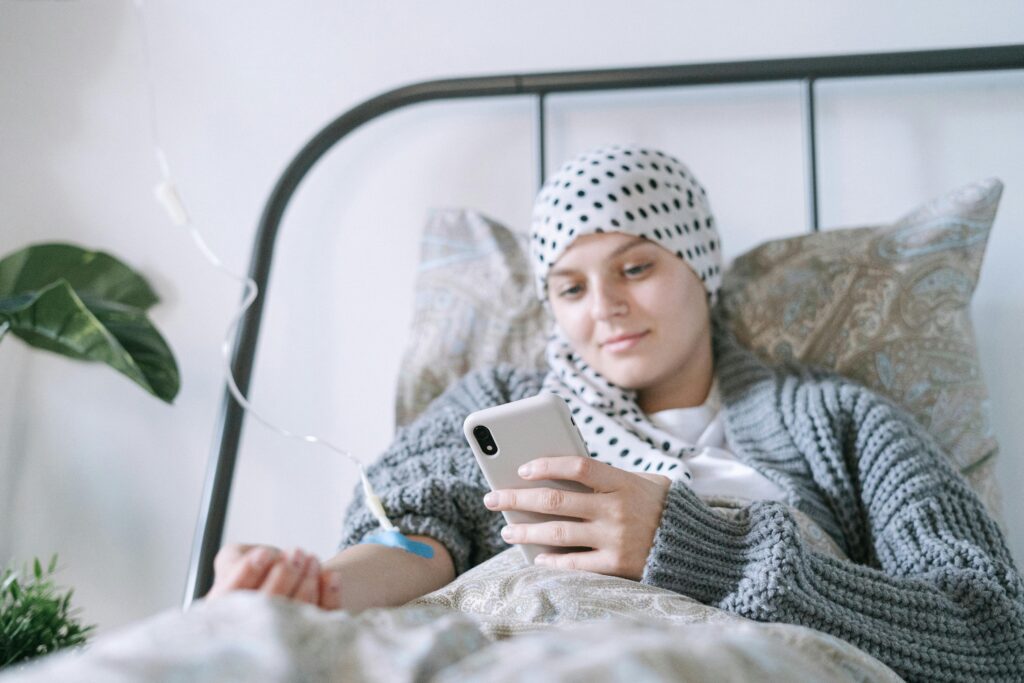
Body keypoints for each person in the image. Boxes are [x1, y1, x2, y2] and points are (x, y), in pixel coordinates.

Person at [209, 144, 1024, 681]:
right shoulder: (493, 405)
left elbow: (990, 636)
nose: (605, 307)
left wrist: (698, 548)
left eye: (636, 266)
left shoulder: (844, 422)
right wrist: (312, 594)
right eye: (569, 286)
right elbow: (413, 538)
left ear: (699, 265)